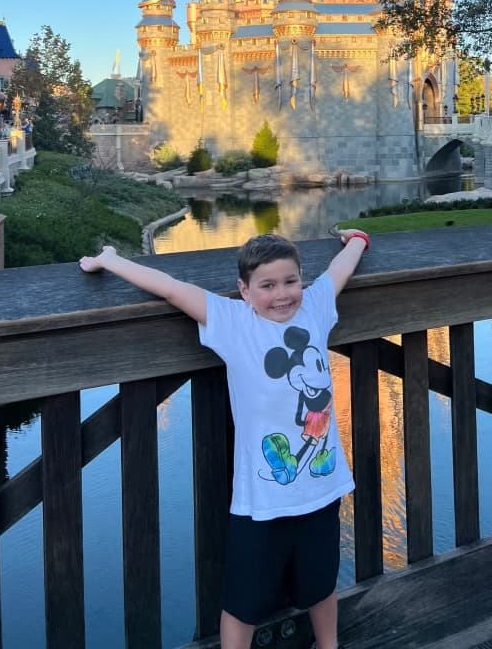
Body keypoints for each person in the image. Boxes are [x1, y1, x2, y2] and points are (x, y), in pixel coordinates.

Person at [79, 228, 370, 649]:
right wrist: (110, 259)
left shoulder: (317, 307)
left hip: (322, 489)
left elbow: (338, 271)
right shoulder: (235, 323)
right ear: (244, 291)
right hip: (262, 500)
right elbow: (173, 290)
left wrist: (357, 240)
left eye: (291, 281)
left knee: (321, 584)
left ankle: (329, 645)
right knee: (243, 600)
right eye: (267, 286)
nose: (283, 294)